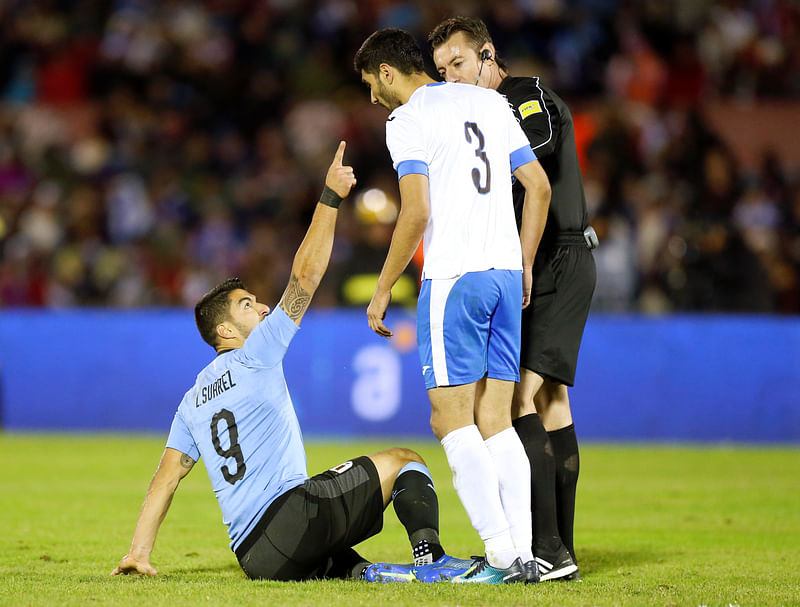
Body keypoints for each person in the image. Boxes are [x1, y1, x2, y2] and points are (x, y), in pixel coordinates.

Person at [111, 142, 454, 583]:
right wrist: (330, 197)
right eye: (248, 305)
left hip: (255, 558)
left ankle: (367, 574)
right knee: (408, 461)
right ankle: (433, 561)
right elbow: (305, 278)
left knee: (332, 538)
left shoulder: (193, 400)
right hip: (291, 520)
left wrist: (138, 552)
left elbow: (165, 479)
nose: (263, 308)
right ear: (227, 333)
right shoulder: (256, 353)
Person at [354, 28, 552, 584]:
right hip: (506, 275)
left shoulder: (407, 120)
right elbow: (536, 186)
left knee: (450, 419)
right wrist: (525, 262)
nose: (373, 98)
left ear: (388, 73)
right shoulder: (488, 100)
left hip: (455, 277)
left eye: (372, 84)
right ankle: (524, 554)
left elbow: (414, 213)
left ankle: (498, 557)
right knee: (496, 419)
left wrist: (383, 285)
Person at [428, 16, 598, 581]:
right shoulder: (485, 112)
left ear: (487, 55)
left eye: (458, 64)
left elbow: (539, 150)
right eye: (441, 71)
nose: (451, 78)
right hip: (544, 262)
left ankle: (541, 548)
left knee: (517, 398)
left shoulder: (523, 97)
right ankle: (558, 552)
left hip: (556, 258)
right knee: (551, 403)